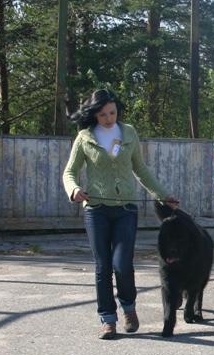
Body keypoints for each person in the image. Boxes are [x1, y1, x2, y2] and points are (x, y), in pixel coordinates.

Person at [63, 89, 178, 339]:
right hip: (96, 210)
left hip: (126, 209)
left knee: (122, 264)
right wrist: (74, 190)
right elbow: (69, 172)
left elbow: (141, 169)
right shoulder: (84, 137)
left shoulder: (128, 132)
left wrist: (162, 195)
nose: (109, 118)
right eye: (103, 114)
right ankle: (108, 319)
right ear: (94, 114)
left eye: (112, 112)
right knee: (102, 266)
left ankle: (129, 307)